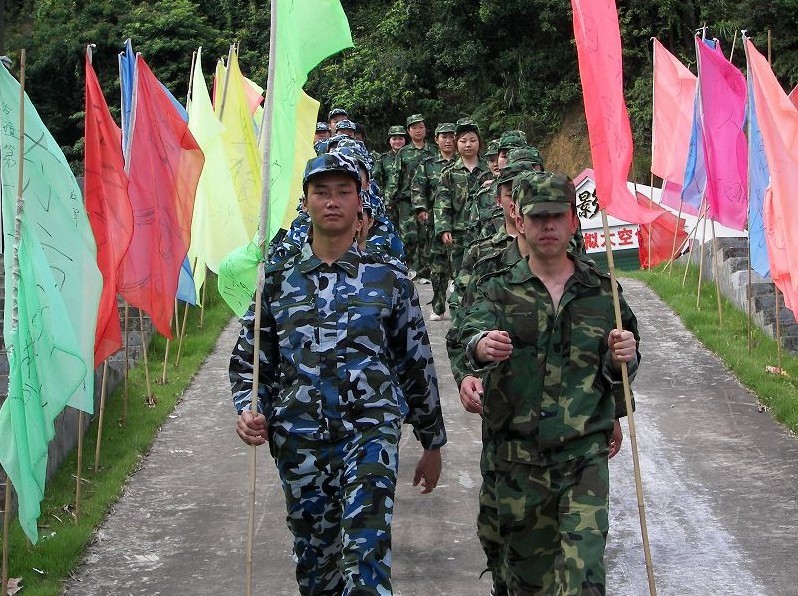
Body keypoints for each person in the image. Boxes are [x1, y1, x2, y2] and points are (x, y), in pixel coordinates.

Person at [230, 153, 447, 596]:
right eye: (322, 192)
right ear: (306, 202)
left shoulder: (389, 279)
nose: (332, 202)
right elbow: (252, 362)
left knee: (365, 560)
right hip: (300, 441)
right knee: (318, 568)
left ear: (359, 203)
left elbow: (416, 364)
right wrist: (250, 410)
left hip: (370, 437)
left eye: (343, 192)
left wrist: (431, 440)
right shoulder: (275, 280)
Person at [458, 171, 640, 596]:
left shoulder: (602, 292)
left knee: (584, 578)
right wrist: (481, 348)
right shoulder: (498, 289)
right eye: (538, 218)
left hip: (583, 459)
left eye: (557, 217)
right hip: (518, 462)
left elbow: (623, 375)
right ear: (520, 223)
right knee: (527, 583)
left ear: (574, 222)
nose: (548, 227)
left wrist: (623, 359)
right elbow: (471, 336)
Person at [411, 122, 458, 320]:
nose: (448, 140)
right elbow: (418, 188)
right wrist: (421, 209)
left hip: (461, 221)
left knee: (462, 266)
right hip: (435, 222)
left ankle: (460, 305)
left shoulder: (463, 163)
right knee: (438, 268)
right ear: (437, 140)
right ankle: (438, 306)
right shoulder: (428, 164)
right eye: (443, 137)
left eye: (451, 136)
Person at [433, 117, 491, 275]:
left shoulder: (489, 170)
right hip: (459, 234)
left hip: (487, 232)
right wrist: (444, 229)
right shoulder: (449, 173)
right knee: (460, 277)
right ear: (456, 143)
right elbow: (441, 203)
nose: (468, 144)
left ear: (479, 142)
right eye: (463, 141)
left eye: (473, 140)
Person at [387, 113, 437, 278]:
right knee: (409, 236)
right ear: (408, 131)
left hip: (428, 201)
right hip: (406, 201)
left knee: (426, 236)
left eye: (421, 127)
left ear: (425, 129)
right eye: (414, 128)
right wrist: (389, 199)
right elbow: (395, 177)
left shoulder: (433, 151)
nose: (418, 131)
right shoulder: (404, 152)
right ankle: (409, 267)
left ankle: (425, 269)